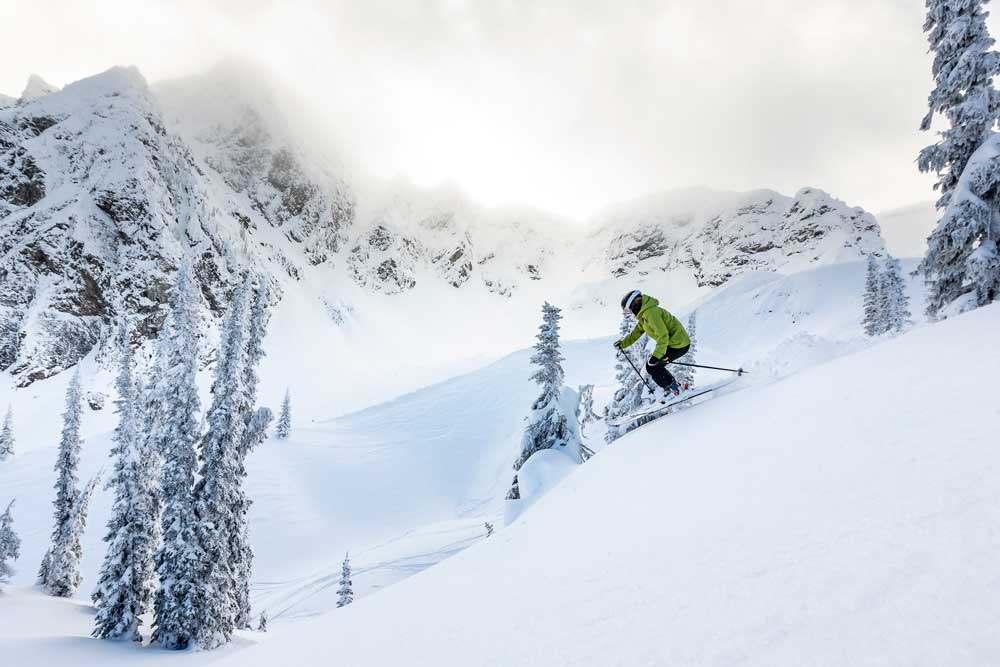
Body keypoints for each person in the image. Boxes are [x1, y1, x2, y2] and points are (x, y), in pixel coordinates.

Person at [614, 289, 691, 397]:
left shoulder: (651, 313)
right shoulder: (645, 315)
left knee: (652, 366)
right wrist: (622, 344)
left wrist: (657, 356)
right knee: (654, 366)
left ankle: (674, 390)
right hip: (674, 343)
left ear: (634, 304)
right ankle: (675, 388)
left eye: (629, 309)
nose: (630, 312)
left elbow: (663, 336)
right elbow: (636, 333)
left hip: (679, 345)